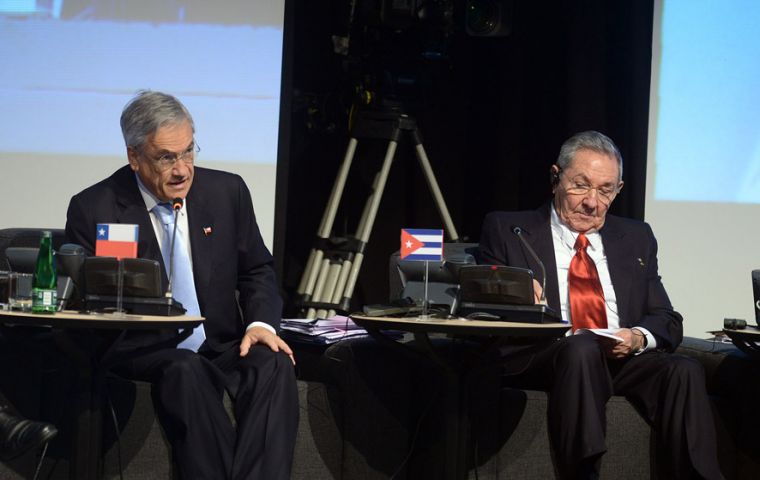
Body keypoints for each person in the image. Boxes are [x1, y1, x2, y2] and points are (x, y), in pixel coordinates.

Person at [65, 91, 298, 480]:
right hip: (146, 348)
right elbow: (85, 301)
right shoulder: (95, 207)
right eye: (166, 157)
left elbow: (258, 268)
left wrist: (260, 326)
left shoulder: (227, 193)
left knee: (273, 362)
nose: (182, 169)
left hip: (221, 343)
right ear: (134, 157)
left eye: (189, 152)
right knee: (185, 371)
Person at [478, 131, 723, 479]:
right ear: (555, 178)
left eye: (606, 190)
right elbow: (481, 302)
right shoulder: (509, 229)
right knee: (581, 348)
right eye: (581, 185)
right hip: (546, 356)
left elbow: (666, 317)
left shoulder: (636, 237)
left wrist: (636, 337)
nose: (592, 202)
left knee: (684, 370)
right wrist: (516, 294)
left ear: (618, 190)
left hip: (616, 360)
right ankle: (584, 472)